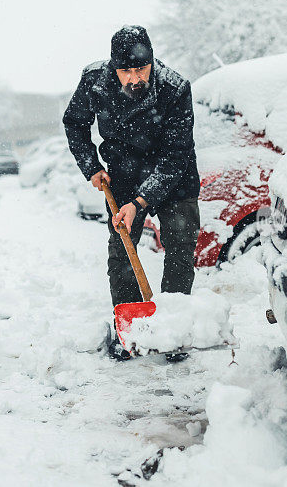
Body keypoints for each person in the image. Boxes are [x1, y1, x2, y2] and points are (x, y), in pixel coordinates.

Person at [62, 25, 200, 360]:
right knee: (121, 251)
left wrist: (141, 201)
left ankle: (173, 329)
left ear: (152, 62)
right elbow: (74, 122)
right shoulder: (95, 81)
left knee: (181, 245)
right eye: (126, 71)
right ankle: (130, 329)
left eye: (141, 69)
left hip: (173, 176)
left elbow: (176, 154)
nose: (134, 78)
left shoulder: (174, 87)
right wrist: (91, 166)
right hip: (122, 174)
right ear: (114, 68)